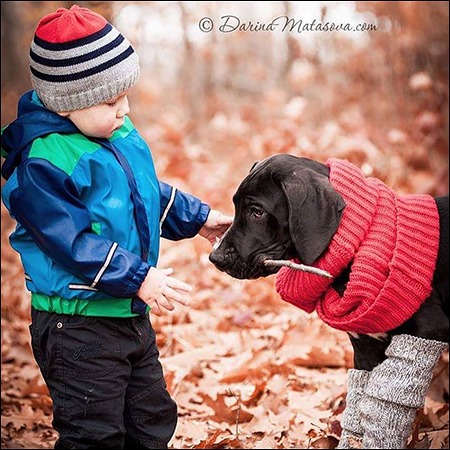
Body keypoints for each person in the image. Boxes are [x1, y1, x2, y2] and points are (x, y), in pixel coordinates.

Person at [1, 5, 233, 449]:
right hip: (77, 327)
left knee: (152, 419)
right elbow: (69, 243)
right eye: (110, 101)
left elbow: (142, 194)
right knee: (95, 433)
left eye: (125, 97)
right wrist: (138, 276)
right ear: (66, 102)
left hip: (129, 315)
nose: (124, 110)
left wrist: (198, 217)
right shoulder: (43, 164)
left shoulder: (113, 133)